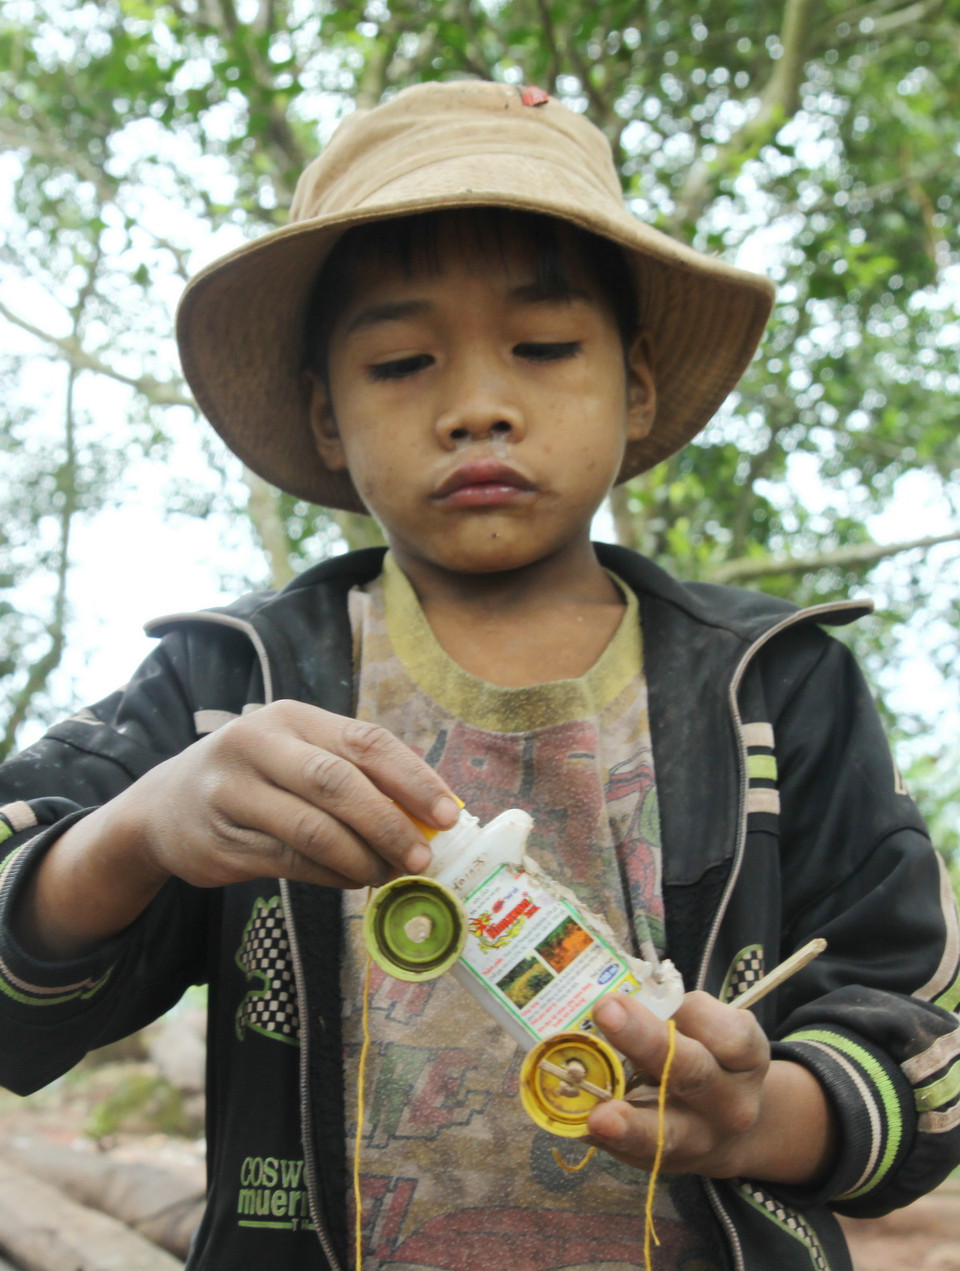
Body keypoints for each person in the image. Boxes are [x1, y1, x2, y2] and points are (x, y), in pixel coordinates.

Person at [0, 80, 957, 1271]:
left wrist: (758, 1116)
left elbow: (920, 1042)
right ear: (327, 417)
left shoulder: (779, 685)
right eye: (403, 362)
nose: (477, 407)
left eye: (544, 347)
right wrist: (143, 826)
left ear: (637, 383)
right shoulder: (223, 685)